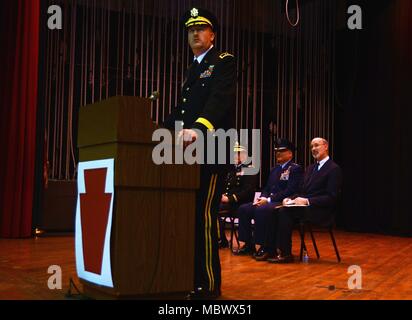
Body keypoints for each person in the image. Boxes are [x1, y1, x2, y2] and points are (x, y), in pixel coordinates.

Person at [163, 7, 236, 299]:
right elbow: (181, 112)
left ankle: (207, 285)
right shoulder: (192, 70)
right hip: (186, 156)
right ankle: (189, 277)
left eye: (201, 28)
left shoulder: (223, 62)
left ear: (212, 34)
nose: (195, 33)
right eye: (190, 29)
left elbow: (219, 101)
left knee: (202, 216)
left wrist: (198, 128)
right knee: (187, 216)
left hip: (210, 151)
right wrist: (153, 130)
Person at [267, 137, 342, 263]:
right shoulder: (310, 168)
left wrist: (307, 201)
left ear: (326, 146)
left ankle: (286, 254)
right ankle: (271, 250)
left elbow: (331, 197)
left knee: (283, 213)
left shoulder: (334, 169)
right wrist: (289, 198)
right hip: (304, 208)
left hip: (320, 210)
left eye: (316, 145)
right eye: (312, 147)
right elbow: (301, 191)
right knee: (275, 209)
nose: (313, 149)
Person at [233, 139, 303, 261]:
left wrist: (269, 199)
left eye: (282, 151)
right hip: (269, 201)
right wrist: (263, 197)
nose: (278, 154)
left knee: (262, 210)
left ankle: (264, 247)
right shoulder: (274, 170)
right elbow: (267, 187)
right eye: (276, 151)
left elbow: (291, 190)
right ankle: (247, 244)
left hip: (282, 202)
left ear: (290, 154)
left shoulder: (295, 169)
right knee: (244, 209)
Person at [218, 143, 258, 248]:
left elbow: (248, 191)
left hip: (240, 203)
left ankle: (220, 239)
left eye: (238, 154)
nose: (235, 156)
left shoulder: (250, 169)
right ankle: (220, 239)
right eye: (234, 154)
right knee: (210, 208)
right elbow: (224, 186)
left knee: (213, 210)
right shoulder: (231, 170)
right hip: (227, 202)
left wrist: (230, 198)